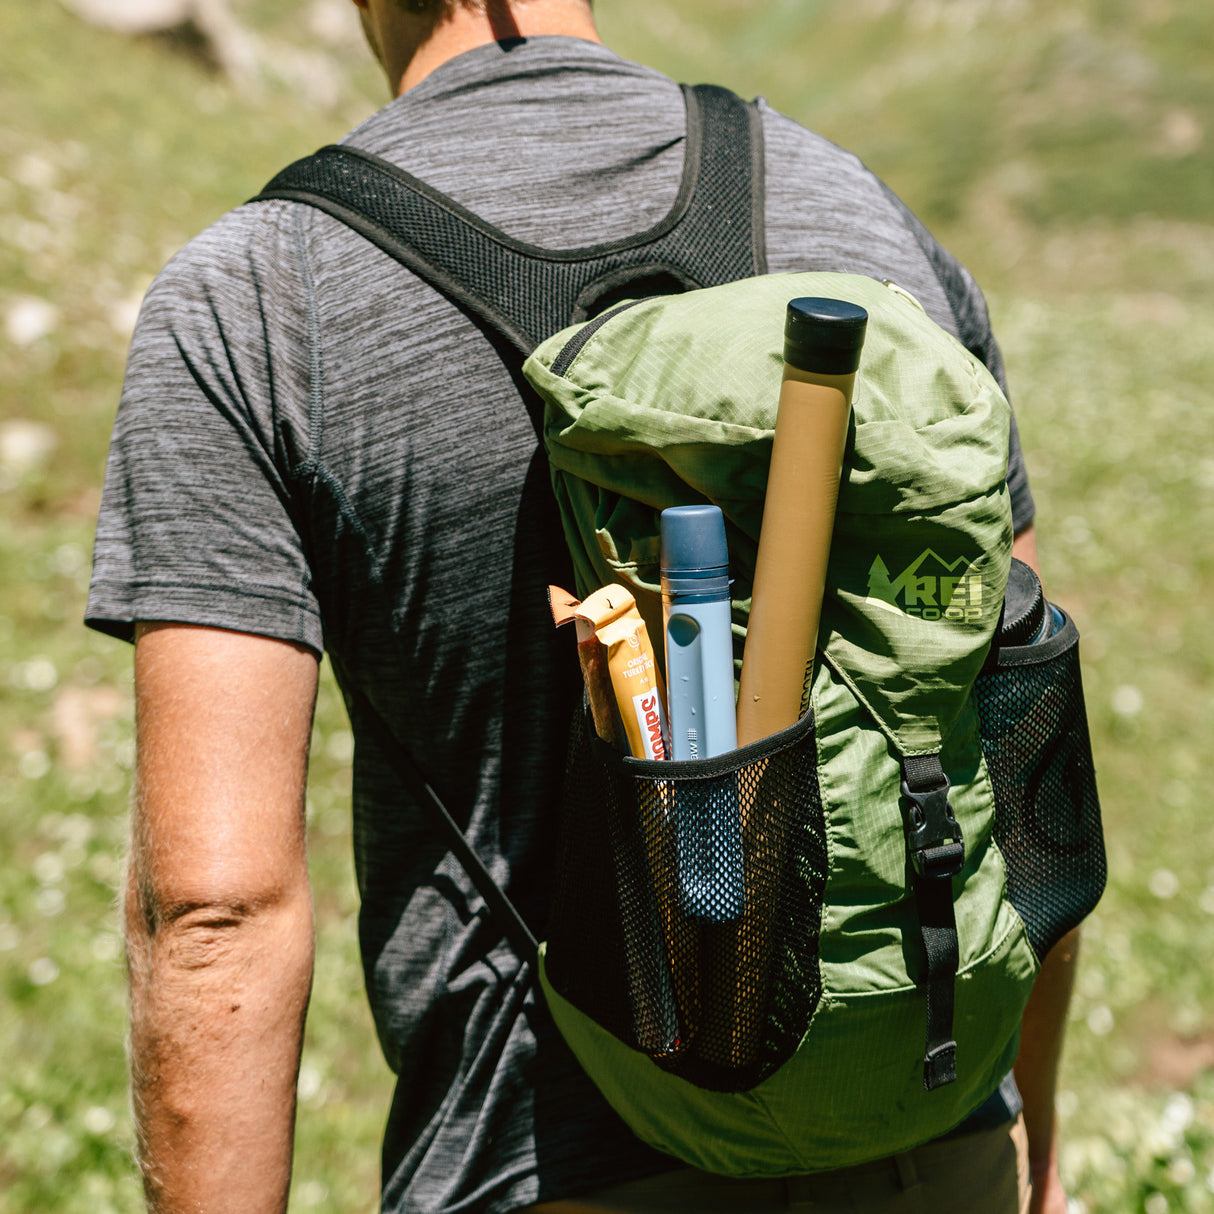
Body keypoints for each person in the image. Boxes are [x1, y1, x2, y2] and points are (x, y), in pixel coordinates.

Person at [86, 1, 1078, 1211]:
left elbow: (215, 909)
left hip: (539, 1169)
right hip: (932, 1135)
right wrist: (1027, 1129)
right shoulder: (856, 212)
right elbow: (1019, 739)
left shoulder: (258, 293)